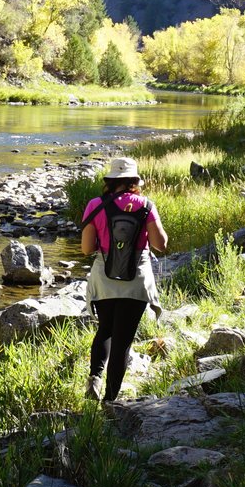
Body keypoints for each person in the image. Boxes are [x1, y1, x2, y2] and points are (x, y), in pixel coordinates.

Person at [79, 156, 169, 402]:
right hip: (136, 280)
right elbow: (160, 245)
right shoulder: (147, 205)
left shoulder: (95, 204)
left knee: (104, 329)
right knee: (123, 340)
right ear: (134, 181)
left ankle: (95, 378)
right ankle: (110, 401)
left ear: (110, 180)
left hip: (104, 278)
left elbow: (86, 249)